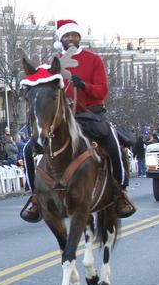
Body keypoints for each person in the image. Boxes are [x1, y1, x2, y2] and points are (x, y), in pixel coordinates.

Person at [20, 19, 136, 222]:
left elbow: (103, 90)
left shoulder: (94, 59)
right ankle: (35, 196)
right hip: (62, 118)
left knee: (112, 140)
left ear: (79, 38)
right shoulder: (53, 64)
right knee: (29, 149)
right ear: (61, 40)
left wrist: (84, 86)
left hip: (89, 114)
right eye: (67, 36)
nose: (71, 39)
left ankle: (120, 192)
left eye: (74, 35)